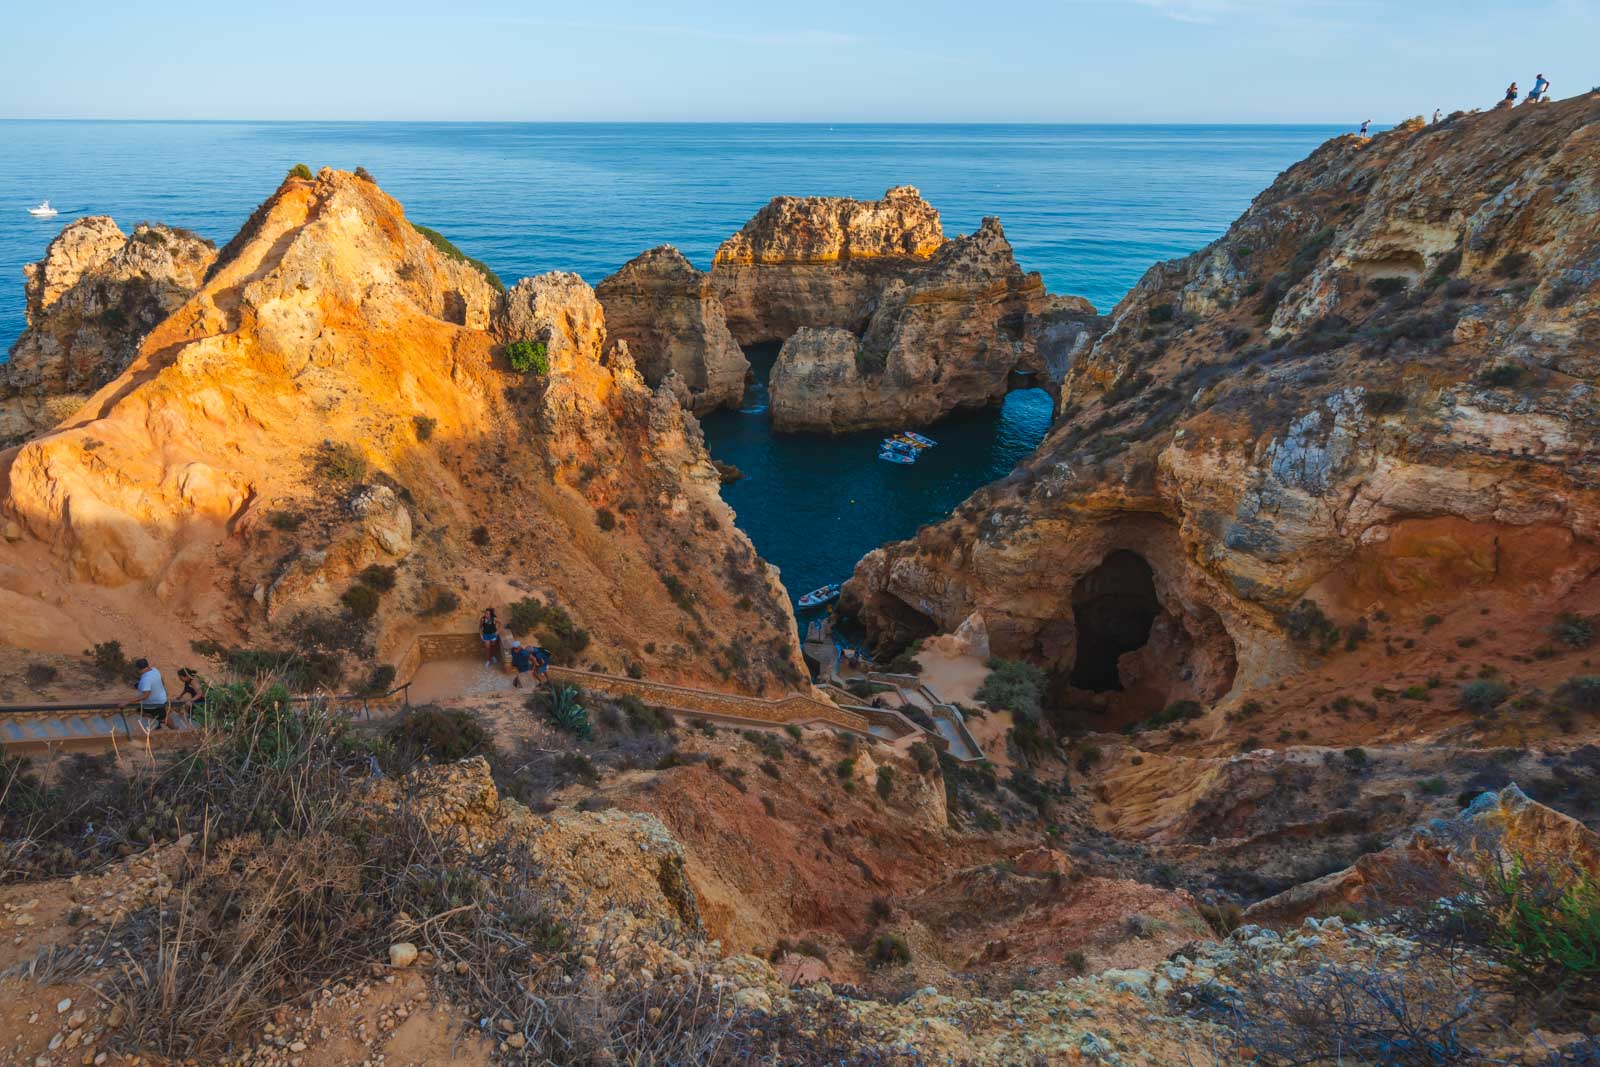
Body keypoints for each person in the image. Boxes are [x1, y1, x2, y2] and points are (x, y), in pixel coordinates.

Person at [125, 657, 169, 730]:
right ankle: (159, 723)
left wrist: (127, 701)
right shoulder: (154, 670)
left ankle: (174, 728)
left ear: (138, 669)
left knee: (162, 718)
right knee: (160, 716)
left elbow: (145, 695)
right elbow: (156, 681)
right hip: (161, 697)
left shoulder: (146, 679)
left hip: (154, 703)